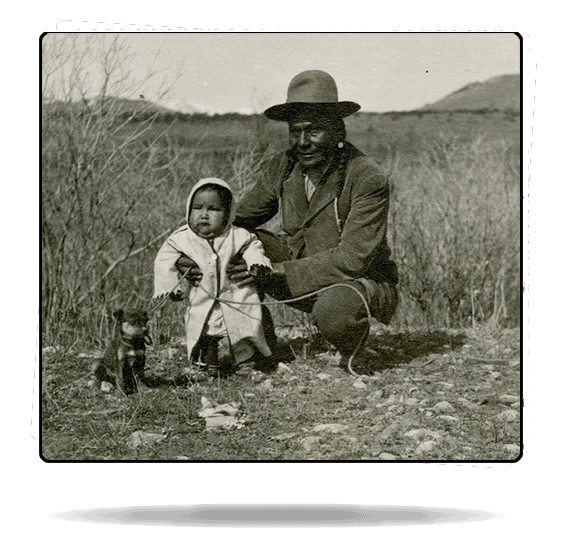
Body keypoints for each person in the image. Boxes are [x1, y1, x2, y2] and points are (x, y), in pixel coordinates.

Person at [178, 70, 399, 371]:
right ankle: (260, 347)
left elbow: (353, 260)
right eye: (295, 132)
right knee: (237, 242)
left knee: (336, 310)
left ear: (337, 131)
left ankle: (353, 349)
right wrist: (192, 248)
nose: (303, 142)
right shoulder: (284, 166)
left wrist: (274, 271)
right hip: (297, 272)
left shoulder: (366, 177)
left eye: (314, 131)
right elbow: (235, 219)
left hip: (357, 281)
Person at [153, 178, 273, 376]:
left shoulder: (238, 236)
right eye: (197, 208)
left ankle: (245, 362)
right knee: (203, 331)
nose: (204, 215)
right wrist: (171, 286)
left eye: (214, 209)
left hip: (236, 296)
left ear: (228, 214)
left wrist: (257, 264)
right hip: (202, 297)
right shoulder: (181, 239)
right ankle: (206, 364)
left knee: (243, 327)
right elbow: (164, 260)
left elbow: (253, 246)